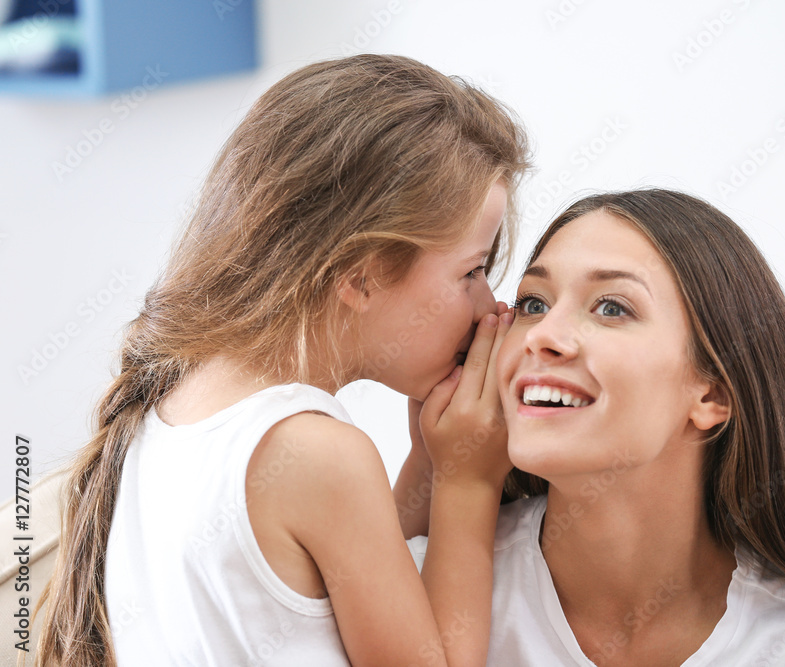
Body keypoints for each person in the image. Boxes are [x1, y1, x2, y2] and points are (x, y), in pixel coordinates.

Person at [32, 54, 529, 666]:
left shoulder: (182, 398)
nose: (490, 307)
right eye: (472, 271)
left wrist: (429, 459)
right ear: (361, 274)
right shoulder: (312, 452)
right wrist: (468, 479)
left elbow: (355, 582)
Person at [405, 189, 785, 666]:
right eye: (533, 303)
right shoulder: (419, 584)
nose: (544, 335)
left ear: (712, 394)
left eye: (612, 307)